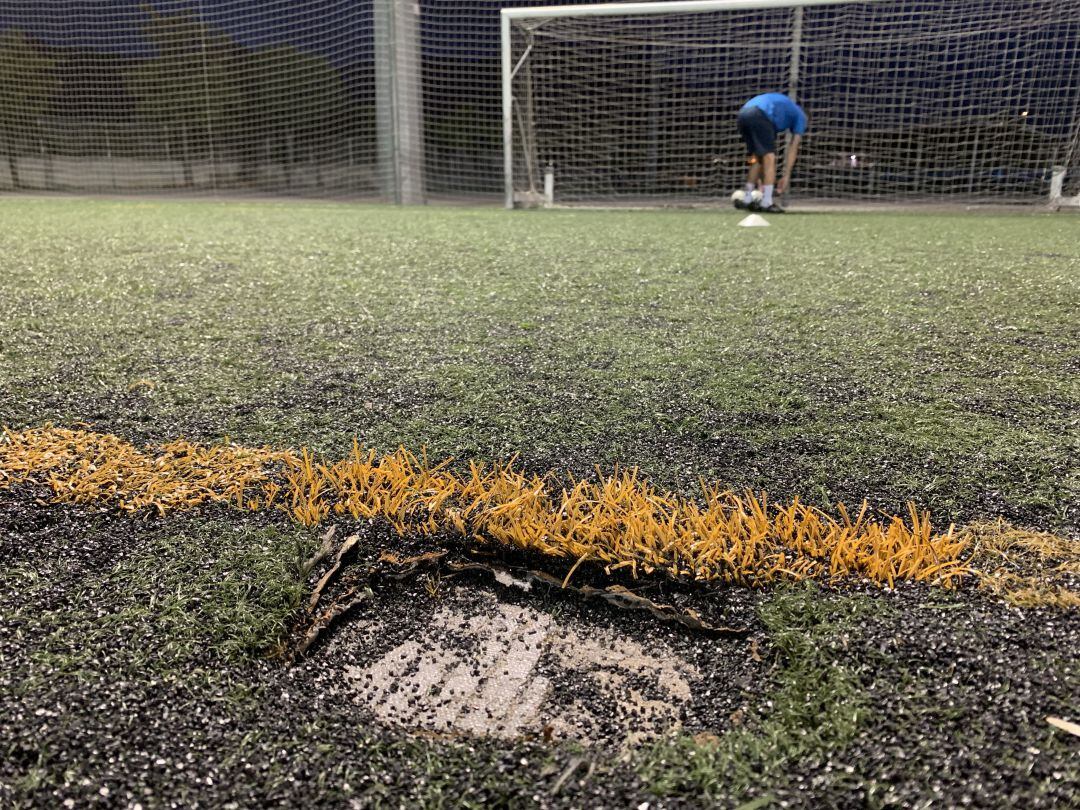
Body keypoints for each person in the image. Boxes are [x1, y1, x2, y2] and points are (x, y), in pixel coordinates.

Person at [734, 92, 807, 213]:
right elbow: (794, 146)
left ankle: (747, 199)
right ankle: (767, 202)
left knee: (756, 158)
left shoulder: (784, 111)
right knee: (770, 157)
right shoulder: (801, 116)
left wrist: (763, 180)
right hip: (759, 114)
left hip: (743, 114)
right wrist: (787, 175)